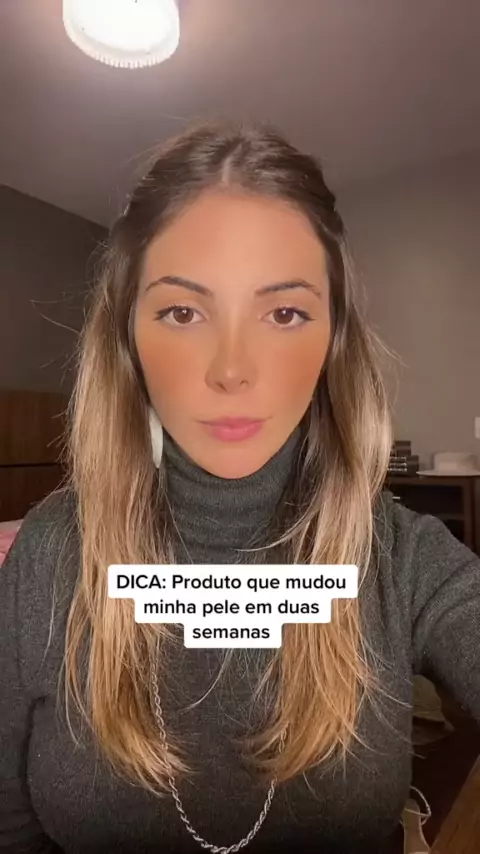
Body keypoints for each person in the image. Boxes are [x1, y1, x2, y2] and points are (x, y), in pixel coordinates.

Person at [1, 120, 479, 854]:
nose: (231, 369)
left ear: (332, 341)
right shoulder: (48, 553)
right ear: (129, 340)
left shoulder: (403, 559)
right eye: (183, 312)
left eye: (284, 313)